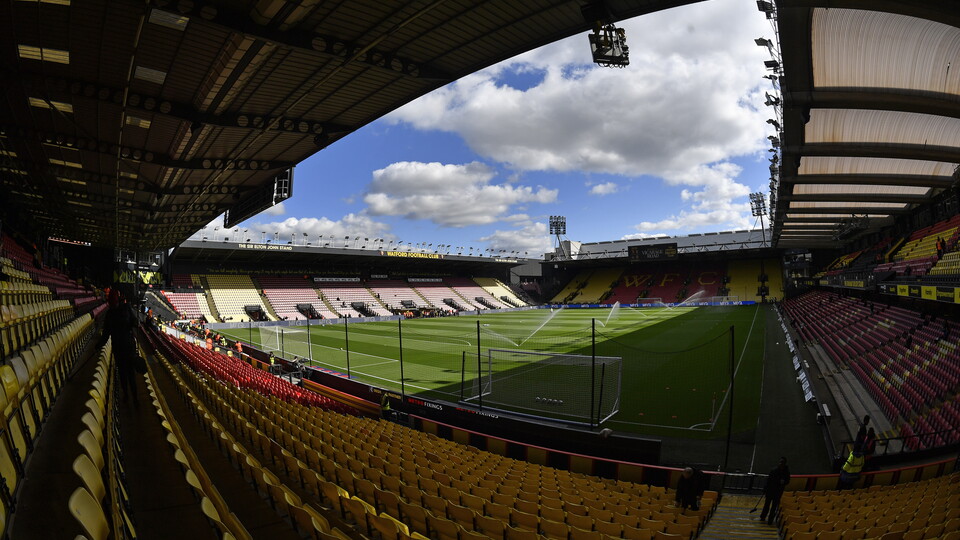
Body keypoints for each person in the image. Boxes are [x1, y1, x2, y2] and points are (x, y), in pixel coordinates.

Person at [97, 289, 140, 405]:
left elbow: (106, 335)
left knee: (124, 373)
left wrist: (98, 346)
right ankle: (134, 397)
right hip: (127, 346)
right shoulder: (126, 308)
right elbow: (135, 322)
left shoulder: (110, 314)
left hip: (119, 348)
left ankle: (127, 395)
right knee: (129, 373)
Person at [760, 457, 790, 525]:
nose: (780, 463)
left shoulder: (784, 472)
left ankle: (769, 520)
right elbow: (768, 480)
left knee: (773, 507)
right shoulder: (776, 470)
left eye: (782, 462)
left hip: (776, 492)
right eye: (780, 462)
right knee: (767, 505)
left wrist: (784, 482)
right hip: (772, 491)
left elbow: (787, 481)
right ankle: (763, 517)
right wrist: (765, 489)